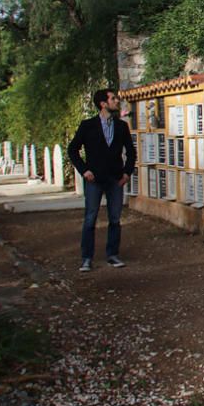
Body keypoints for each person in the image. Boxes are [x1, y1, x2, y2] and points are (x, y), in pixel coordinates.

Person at [68, 89, 136, 272]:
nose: (116, 101)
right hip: (94, 180)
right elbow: (72, 150)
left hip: (115, 179)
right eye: (113, 98)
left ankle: (113, 254)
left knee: (115, 218)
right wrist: (84, 171)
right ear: (103, 104)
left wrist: (127, 173)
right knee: (90, 218)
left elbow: (131, 152)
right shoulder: (87, 126)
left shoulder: (121, 127)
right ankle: (86, 258)